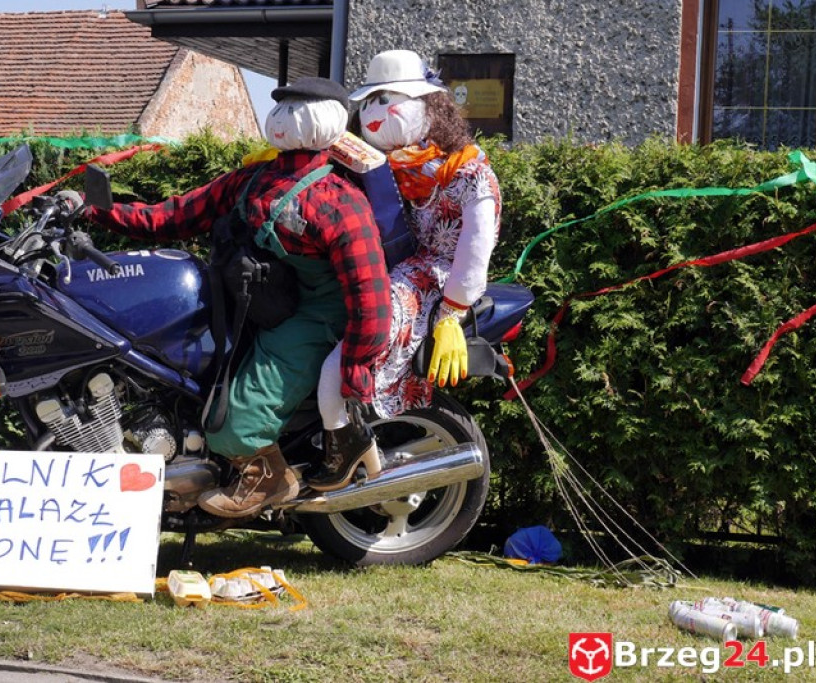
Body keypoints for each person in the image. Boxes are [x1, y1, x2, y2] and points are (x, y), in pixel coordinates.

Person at [84, 77, 391, 518]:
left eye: (293, 110)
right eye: (279, 109)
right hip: (256, 300)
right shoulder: (256, 178)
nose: (281, 118)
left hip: (313, 315)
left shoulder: (338, 200)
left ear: (321, 120)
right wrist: (102, 209)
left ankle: (270, 478)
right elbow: (178, 213)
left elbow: (370, 292)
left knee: (235, 423)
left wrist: (356, 367)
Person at [311, 49, 502, 491]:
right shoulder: (380, 166)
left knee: (353, 345)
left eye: (389, 100)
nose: (374, 114)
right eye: (369, 102)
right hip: (382, 265)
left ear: (429, 107)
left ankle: (345, 440)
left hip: (428, 280)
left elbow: (475, 249)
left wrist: (452, 313)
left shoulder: (469, 171)